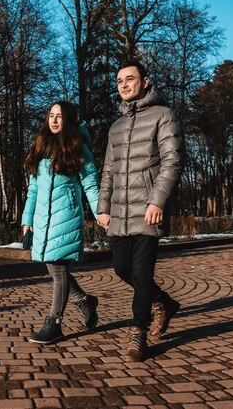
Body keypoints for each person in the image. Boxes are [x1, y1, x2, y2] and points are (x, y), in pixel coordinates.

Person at [97, 61, 184, 362]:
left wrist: (157, 200)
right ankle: (165, 303)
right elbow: (108, 170)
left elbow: (172, 162)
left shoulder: (164, 115)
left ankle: (138, 333)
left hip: (148, 209)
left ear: (145, 82)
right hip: (119, 213)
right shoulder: (116, 126)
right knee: (122, 269)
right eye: (119, 80)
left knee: (141, 273)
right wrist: (102, 207)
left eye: (129, 79)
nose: (123, 85)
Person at [21, 101, 101, 345]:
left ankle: (54, 323)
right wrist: (27, 220)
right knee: (54, 267)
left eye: (60, 117)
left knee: (58, 269)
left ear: (69, 121)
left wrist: (102, 214)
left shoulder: (78, 149)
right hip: (42, 219)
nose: (54, 120)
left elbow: (91, 185)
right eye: (51, 116)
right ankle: (84, 301)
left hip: (65, 216)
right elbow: (33, 188)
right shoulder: (41, 146)